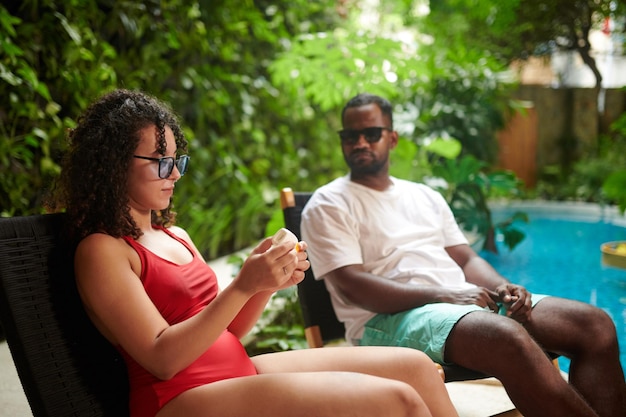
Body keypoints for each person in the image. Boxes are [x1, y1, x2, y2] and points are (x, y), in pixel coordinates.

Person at [50, 89, 459, 417]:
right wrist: (243, 284)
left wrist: (265, 282)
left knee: (416, 368)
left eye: (177, 160)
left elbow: (228, 332)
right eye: (159, 161)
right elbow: (162, 358)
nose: (174, 173)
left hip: (236, 373)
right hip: (180, 397)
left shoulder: (175, 234)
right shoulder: (102, 250)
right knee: (397, 402)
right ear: (112, 163)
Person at [301, 92, 626, 417]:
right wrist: (445, 293)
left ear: (392, 138)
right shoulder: (329, 203)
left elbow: (466, 259)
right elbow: (351, 284)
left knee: (594, 325)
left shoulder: (424, 196)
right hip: (387, 322)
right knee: (506, 337)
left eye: (371, 134)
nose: (359, 142)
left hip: (461, 307)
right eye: (350, 136)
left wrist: (505, 288)